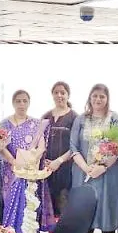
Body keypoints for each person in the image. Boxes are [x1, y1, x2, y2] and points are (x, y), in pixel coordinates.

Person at [70, 84, 118, 233]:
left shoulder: (115, 119)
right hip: (83, 172)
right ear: (89, 98)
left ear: (107, 99)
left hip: (108, 174)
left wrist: (103, 166)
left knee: (107, 208)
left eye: (102, 96)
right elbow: (73, 146)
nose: (98, 99)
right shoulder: (81, 120)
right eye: (95, 96)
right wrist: (86, 167)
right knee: (85, 208)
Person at [0, 90, 55, 233]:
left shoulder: (36, 124)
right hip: (11, 172)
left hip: (30, 173)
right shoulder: (4, 124)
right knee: (10, 205)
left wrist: (30, 160)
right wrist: (14, 161)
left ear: (29, 103)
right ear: (13, 103)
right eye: (18, 101)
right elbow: (1, 146)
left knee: (28, 208)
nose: (21, 104)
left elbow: (41, 147)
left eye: (24, 101)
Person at [42, 82, 77, 217]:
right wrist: (44, 160)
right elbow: (39, 141)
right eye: (56, 92)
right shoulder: (45, 116)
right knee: (48, 212)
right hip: (46, 170)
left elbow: (75, 145)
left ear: (68, 95)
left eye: (63, 92)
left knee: (64, 210)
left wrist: (59, 161)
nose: (59, 95)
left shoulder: (74, 117)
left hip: (65, 171)